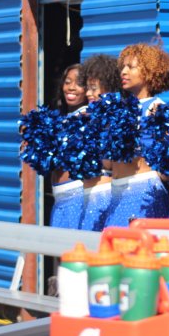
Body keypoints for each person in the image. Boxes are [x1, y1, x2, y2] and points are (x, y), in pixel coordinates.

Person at [104, 43, 169, 227]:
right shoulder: (118, 109)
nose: (123, 72)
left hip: (143, 192)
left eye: (131, 67)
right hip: (116, 192)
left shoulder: (157, 107)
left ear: (149, 72)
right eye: (123, 67)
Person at [77, 54, 121, 231]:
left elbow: (110, 163)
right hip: (87, 197)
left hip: (105, 196)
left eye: (93, 88)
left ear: (109, 87)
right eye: (87, 88)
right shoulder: (85, 116)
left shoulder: (116, 118)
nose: (88, 93)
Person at [49, 63, 88, 229]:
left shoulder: (86, 116)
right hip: (60, 198)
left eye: (79, 83)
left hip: (77, 198)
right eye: (67, 82)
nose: (71, 87)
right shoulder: (64, 118)